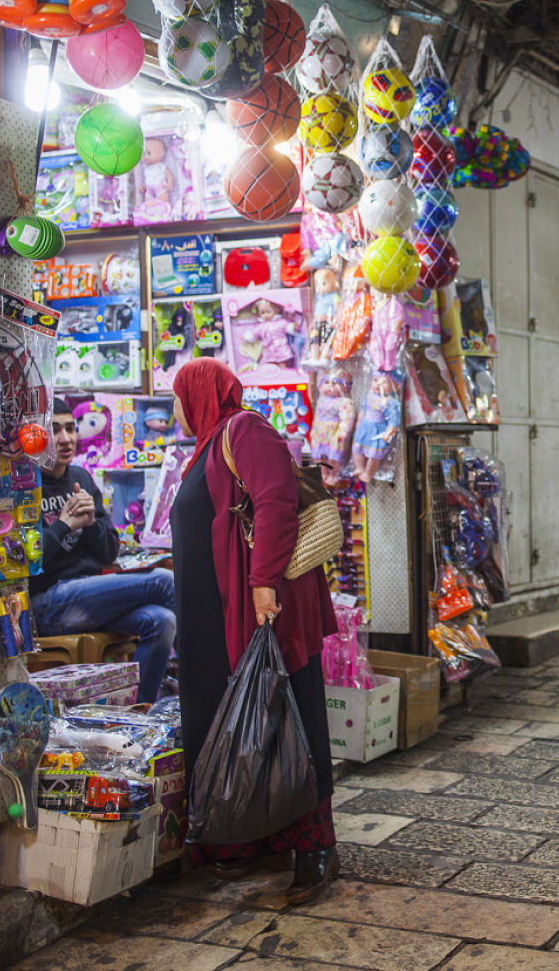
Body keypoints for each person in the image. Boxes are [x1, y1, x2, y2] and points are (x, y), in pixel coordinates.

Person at [169, 358, 340, 904]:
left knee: (288, 715)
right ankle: (246, 839)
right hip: (212, 620)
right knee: (239, 726)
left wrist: (264, 582)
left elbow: (275, 501)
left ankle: (315, 849)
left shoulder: (243, 429)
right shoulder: (203, 447)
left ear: (199, 394)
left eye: (176, 396)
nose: (173, 408)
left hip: (257, 609)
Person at [31, 398, 176, 704]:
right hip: (48, 603)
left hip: (90, 596)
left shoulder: (80, 478)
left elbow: (109, 551)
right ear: (38, 435)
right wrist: (63, 526)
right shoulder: (27, 484)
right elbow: (29, 562)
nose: (66, 438)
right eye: (55, 430)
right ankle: (207, 685)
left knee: (162, 621)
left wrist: (90, 520)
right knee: (163, 581)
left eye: (70, 428)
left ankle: (142, 713)